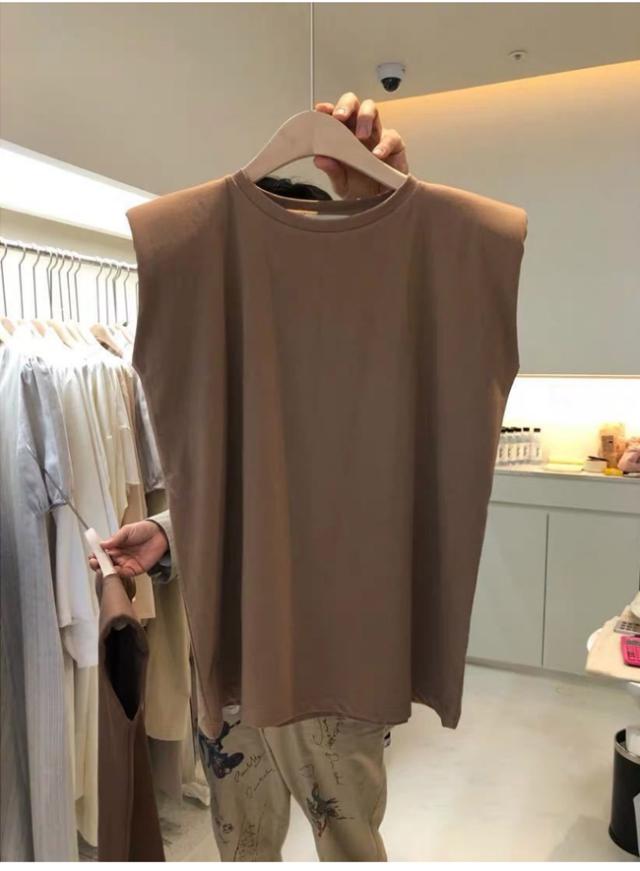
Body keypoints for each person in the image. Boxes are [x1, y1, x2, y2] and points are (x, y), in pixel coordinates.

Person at [89, 92, 409, 863]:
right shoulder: (228, 357)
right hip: (229, 658)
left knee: (350, 847)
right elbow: (246, 486)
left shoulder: (370, 365)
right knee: (243, 846)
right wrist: (171, 532)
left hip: (332, 661)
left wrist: (385, 219)